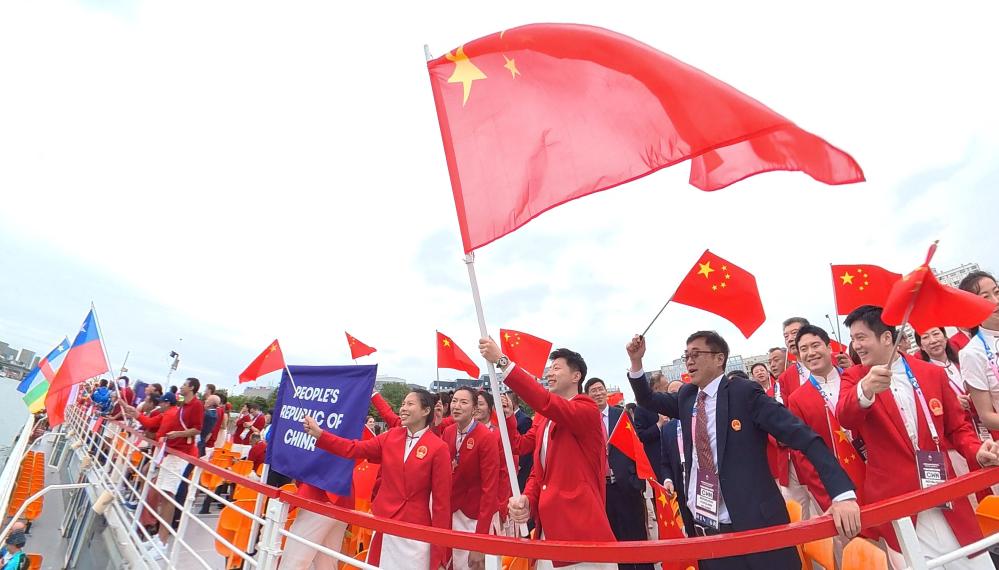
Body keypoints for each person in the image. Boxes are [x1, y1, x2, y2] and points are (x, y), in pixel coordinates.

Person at [626, 332, 860, 570]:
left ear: (719, 359)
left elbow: (803, 437)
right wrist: (636, 362)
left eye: (696, 354)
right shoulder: (687, 396)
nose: (689, 361)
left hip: (756, 526)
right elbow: (647, 399)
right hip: (708, 526)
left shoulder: (744, 393)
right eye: (686, 355)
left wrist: (842, 494)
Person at [837, 305, 999, 569]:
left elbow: (957, 428)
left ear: (887, 337)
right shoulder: (855, 377)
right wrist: (865, 390)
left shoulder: (930, 373)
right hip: (899, 504)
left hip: (944, 493)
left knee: (973, 561)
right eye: (853, 340)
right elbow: (846, 416)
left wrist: (978, 452)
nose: (856, 346)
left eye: (861, 337)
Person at [479, 338, 615, 570]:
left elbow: (545, 402)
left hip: (579, 534)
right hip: (547, 532)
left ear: (576, 376)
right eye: (549, 369)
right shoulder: (544, 418)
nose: (550, 373)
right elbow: (531, 460)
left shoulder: (586, 410)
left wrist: (503, 362)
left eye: (556, 368)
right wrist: (527, 500)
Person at [303, 388, 451, 570]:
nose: (403, 408)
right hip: (384, 523)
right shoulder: (391, 436)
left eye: (410, 404)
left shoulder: (438, 448)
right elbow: (353, 448)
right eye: (403, 404)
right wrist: (320, 435)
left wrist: (439, 554)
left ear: (426, 410)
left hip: (415, 531)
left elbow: (441, 504)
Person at [785, 325, 866, 516]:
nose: (811, 353)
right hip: (839, 486)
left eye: (815, 345)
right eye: (804, 349)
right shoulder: (797, 399)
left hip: (876, 475)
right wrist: (831, 495)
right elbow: (803, 455)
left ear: (829, 348)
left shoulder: (856, 378)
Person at [125, 378, 204, 556]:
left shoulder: (197, 405)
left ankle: (162, 541)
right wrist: (138, 415)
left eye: (185, 384)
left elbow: (197, 429)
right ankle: (160, 537)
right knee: (163, 493)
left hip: (180, 454)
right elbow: (168, 419)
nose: (181, 386)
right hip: (171, 451)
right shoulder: (182, 403)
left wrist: (178, 433)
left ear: (191, 387)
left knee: (168, 494)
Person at [585, 377, 653, 570]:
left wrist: (637, 481)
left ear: (606, 392)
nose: (598, 393)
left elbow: (635, 446)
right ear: (587, 395)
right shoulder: (586, 419)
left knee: (637, 535)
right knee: (615, 538)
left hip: (627, 484)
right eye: (593, 391)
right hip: (603, 489)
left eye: (600, 389)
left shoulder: (621, 415)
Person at [442, 387, 498, 570]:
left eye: (463, 402)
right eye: (454, 401)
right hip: (452, 512)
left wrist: (479, 541)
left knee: (473, 565)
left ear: (474, 409)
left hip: (475, 517)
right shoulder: (449, 432)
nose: (456, 406)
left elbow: (490, 489)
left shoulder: (486, 437)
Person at [959, 271, 999, 436]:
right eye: (985, 297)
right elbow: (986, 416)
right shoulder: (972, 353)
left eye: (997, 292)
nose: (996, 301)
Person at [633, 372, 668, 482]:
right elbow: (642, 435)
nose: (667, 390)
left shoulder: (669, 404)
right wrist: (659, 425)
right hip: (657, 459)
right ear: (656, 388)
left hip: (675, 456)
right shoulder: (642, 408)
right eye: (665, 387)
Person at [506, 391, 534, 491]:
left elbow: (526, 446)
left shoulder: (524, 419)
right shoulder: (503, 418)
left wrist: (519, 464)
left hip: (520, 467)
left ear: (512, 402)